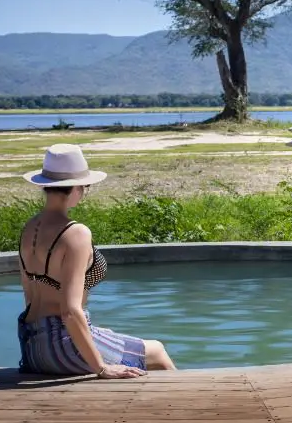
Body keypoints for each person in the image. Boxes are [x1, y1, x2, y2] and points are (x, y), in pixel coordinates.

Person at [17, 143, 176, 378]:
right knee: (157, 351)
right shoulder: (76, 233)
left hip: (32, 347)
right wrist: (102, 368)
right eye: (86, 186)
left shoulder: (29, 229)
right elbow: (70, 312)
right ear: (77, 188)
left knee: (117, 339)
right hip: (62, 347)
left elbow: (30, 296)